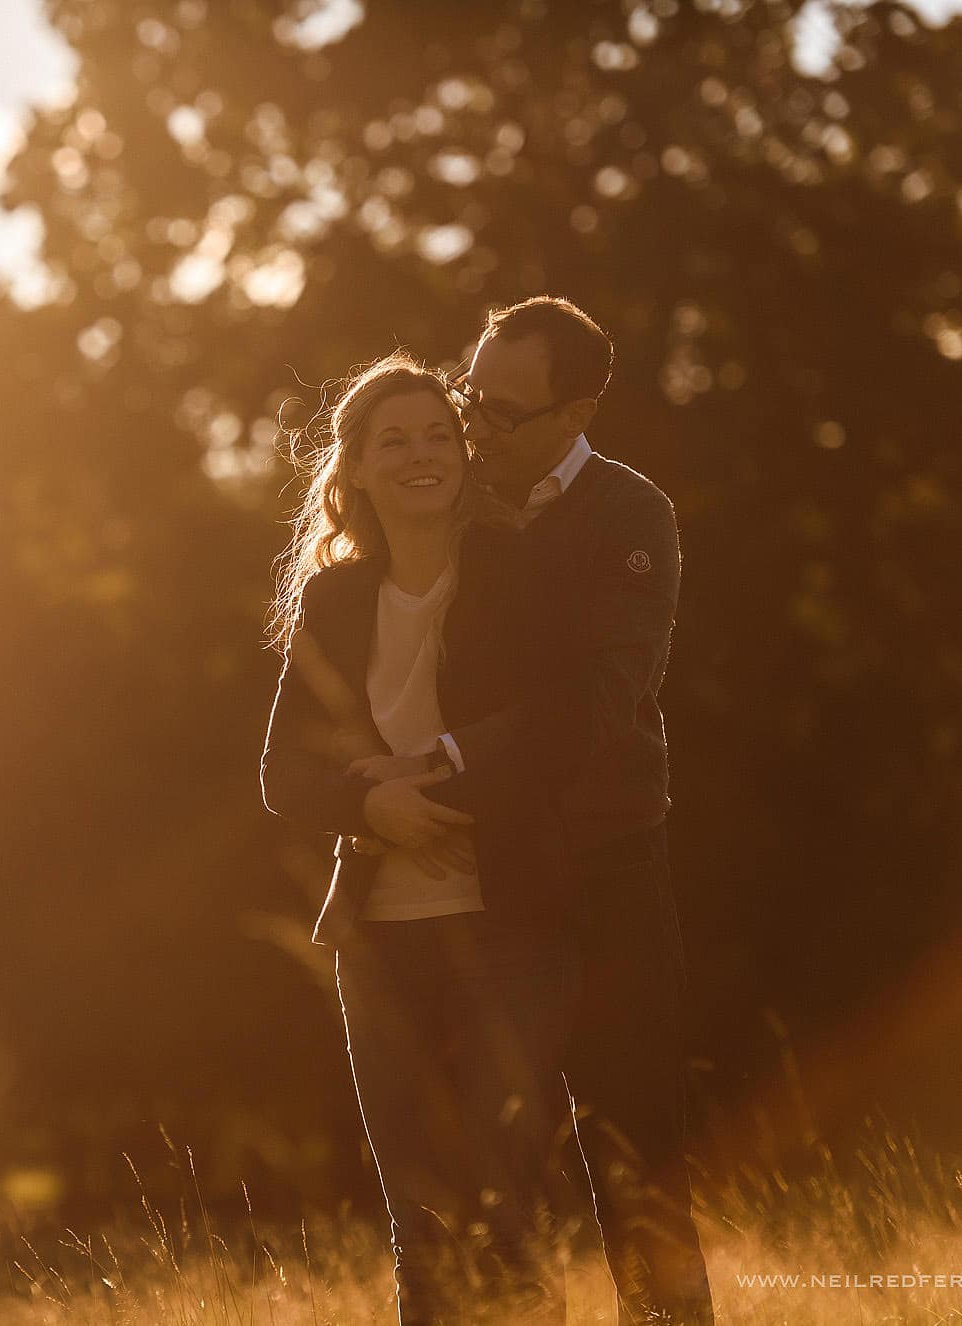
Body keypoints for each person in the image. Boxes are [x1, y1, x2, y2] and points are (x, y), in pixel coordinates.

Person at [363, 295, 715, 1324]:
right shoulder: (452, 504)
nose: (473, 424)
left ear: (578, 412)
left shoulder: (629, 516)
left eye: (502, 411)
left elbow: (602, 702)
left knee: (635, 1159)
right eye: (468, 394)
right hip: (486, 878)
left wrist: (448, 764)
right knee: (487, 1177)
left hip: (607, 876)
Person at [260, 351, 580, 1323]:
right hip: (379, 941)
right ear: (355, 467)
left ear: (463, 454)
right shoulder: (333, 600)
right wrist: (371, 809)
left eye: (438, 435)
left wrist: (430, 780)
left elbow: (556, 725)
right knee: (419, 1216)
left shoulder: (516, 569)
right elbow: (282, 775)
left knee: (506, 1203)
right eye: (393, 441)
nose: (420, 455)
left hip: (509, 925)